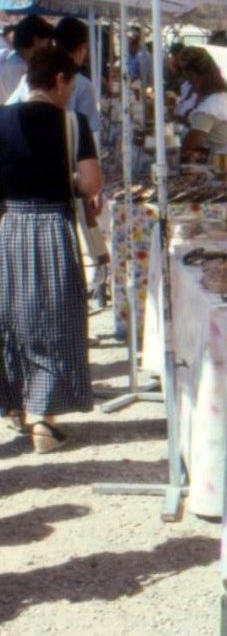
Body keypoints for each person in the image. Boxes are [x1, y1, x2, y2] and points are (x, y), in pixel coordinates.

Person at [0, 46, 103, 453]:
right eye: (71, 85)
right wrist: (67, 183)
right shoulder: (73, 123)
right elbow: (91, 183)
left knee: (11, 319)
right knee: (55, 320)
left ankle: (13, 406)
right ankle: (44, 419)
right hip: (54, 228)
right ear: (60, 80)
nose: (70, 93)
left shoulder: (1, 119)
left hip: (10, 229)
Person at [7, 16, 100, 136]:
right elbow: (89, 133)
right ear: (82, 49)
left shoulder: (31, 76)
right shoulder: (84, 86)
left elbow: (9, 110)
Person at [177, 47, 227, 159]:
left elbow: (189, 145)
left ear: (201, 77)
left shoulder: (209, 109)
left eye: (190, 77)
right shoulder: (222, 98)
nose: (189, 82)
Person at [0, 14, 54, 104]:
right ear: (36, 40)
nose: (48, 48)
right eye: (47, 43)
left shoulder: (15, 62)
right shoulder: (16, 69)